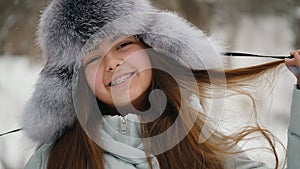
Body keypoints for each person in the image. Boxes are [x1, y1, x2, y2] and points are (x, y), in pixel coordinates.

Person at [21, 0, 299, 168]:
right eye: (93, 58)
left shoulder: (197, 146)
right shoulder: (53, 160)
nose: (112, 63)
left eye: (124, 44)